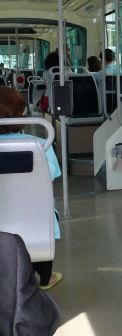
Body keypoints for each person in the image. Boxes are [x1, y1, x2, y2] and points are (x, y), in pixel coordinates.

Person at [0, 87, 62, 290]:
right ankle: (45, 277)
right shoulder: (41, 146)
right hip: (35, 222)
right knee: (46, 215)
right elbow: (51, 176)